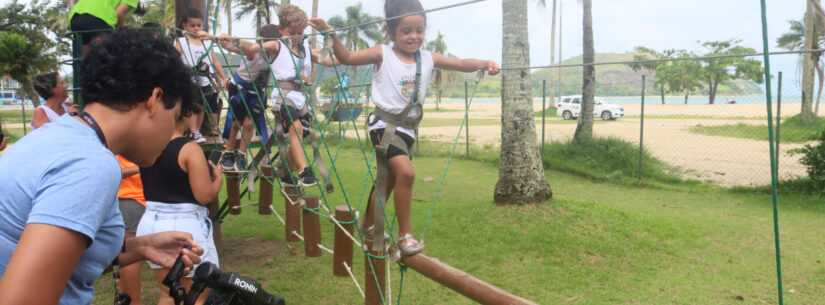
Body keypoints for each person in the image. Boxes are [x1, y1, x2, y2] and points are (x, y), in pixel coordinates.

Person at [0, 28, 203, 305]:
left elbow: (49, 254)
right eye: (176, 116)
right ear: (154, 100)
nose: (171, 132)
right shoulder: (90, 165)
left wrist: (141, 246)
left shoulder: (60, 137)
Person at [309, 0, 500, 256]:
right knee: (406, 174)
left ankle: (368, 224)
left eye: (419, 30)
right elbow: (347, 57)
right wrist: (330, 34)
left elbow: (461, 63)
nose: (414, 36)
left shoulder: (428, 58)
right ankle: (405, 236)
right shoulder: (382, 53)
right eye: (406, 31)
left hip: (407, 131)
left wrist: (485, 63)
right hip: (383, 126)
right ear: (391, 31)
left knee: (386, 182)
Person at [220, 4, 333, 185]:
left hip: (296, 98)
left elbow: (329, 59)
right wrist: (226, 40)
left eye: (301, 31)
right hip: (275, 95)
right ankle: (305, 171)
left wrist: (328, 34)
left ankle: (284, 170)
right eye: (294, 31)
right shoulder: (276, 45)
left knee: (302, 133)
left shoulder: (304, 50)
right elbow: (250, 48)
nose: (298, 35)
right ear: (282, 31)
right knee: (290, 128)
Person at [137, 109, 223, 305]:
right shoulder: (189, 148)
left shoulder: (147, 144)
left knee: (167, 293)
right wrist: (218, 179)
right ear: (184, 114)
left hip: (151, 222)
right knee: (198, 295)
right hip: (184, 225)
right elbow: (204, 195)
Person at [216, 24, 280, 172]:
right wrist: (224, 39)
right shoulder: (254, 52)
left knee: (249, 124)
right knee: (236, 123)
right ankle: (229, 151)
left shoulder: (275, 54)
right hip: (240, 88)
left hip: (256, 91)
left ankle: (242, 154)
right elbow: (234, 47)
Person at [175, 8, 228, 144]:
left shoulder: (207, 42)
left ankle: (197, 130)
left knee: (203, 106)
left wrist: (223, 76)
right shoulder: (181, 41)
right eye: (192, 25)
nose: (196, 28)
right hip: (189, 79)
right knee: (193, 105)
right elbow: (174, 58)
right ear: (184, 26)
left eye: (199, 25)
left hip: (205, 79)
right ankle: (193, 131)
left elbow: (215, 61)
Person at [116, 155, 147, 305]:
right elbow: (116, 171)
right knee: (130, 256)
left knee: (126, 254)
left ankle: (125, 299)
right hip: (130, 199)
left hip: (135, 198)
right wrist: (141, 168)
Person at [68, 0, 142, 50]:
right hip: (98, 19)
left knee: (87, 58)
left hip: (75, 18)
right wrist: (120, 33)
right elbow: (119, 13)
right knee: (110, 55)